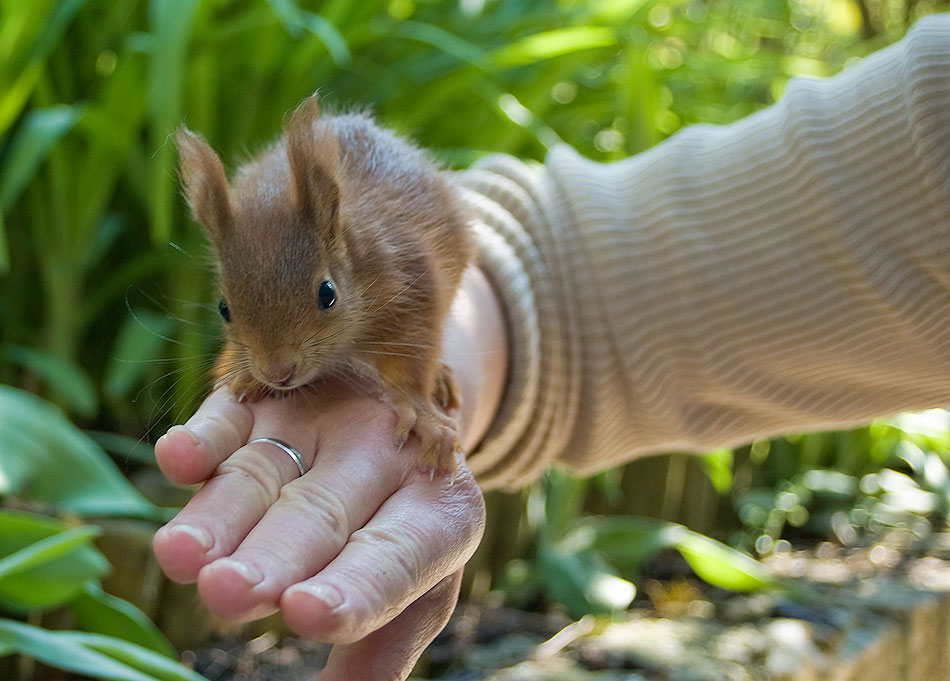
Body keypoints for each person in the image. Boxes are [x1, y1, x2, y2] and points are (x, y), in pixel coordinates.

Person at [152, 14, 950, 681]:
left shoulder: (388, 259)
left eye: (322, 302)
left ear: (341, 254)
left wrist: (414, 387)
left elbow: (435, 278)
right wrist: (289, 373)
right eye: (233, 315)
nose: (284, 365)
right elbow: (584, 286)